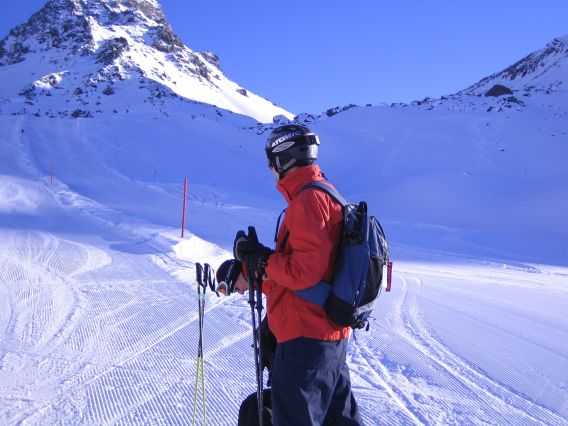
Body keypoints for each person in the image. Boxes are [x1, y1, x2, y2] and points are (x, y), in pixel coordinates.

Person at [231, 125, 364, 426]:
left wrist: (263, 260)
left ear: (282, 160)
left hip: (307, 338)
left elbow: (303, 273)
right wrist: (252, 269)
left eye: (271, 161)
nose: (270, 169)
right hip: (325, 338)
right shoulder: (324, 195)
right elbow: (310, 276)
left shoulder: (308, 201)